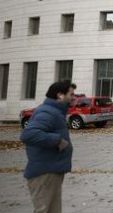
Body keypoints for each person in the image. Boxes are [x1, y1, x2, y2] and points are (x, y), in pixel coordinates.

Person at [20, 80, 75, 213]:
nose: (73, 97)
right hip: (44, 173)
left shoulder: (54, 111)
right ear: (60, 95)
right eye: (71, 94)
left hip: (51, 170)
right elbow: (29, 134)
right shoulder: (48, 112)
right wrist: (57, 140)